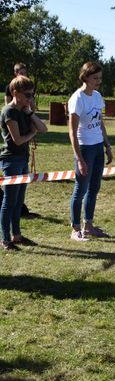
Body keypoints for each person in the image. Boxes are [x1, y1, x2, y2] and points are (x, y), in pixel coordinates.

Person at [0, 75, 47, 250]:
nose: (30, 98)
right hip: (10, 160)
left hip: (22, 159)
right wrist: (32, 134)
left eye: (31, 95)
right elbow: (18, 140)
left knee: (19, 201)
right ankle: (5, 239)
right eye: (27, 95)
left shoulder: (25, 110)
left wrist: (31, 113)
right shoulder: (9, 112)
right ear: (14, 93)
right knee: (9, 201)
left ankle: (17, 235)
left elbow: (43, 128)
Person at [68, 61, 113, 241]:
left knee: (94, 188)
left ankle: (88, 225)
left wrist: (107, 145)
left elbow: (100, 122)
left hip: (97, 147)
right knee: (81, 189)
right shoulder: (77, 99)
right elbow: (72, 131)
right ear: (85, 77)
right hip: (84, 148)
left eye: (100, 78)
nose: (98, 81)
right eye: (95, 78)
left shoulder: (97, 96)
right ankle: (75, 228)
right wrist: (79, 159)